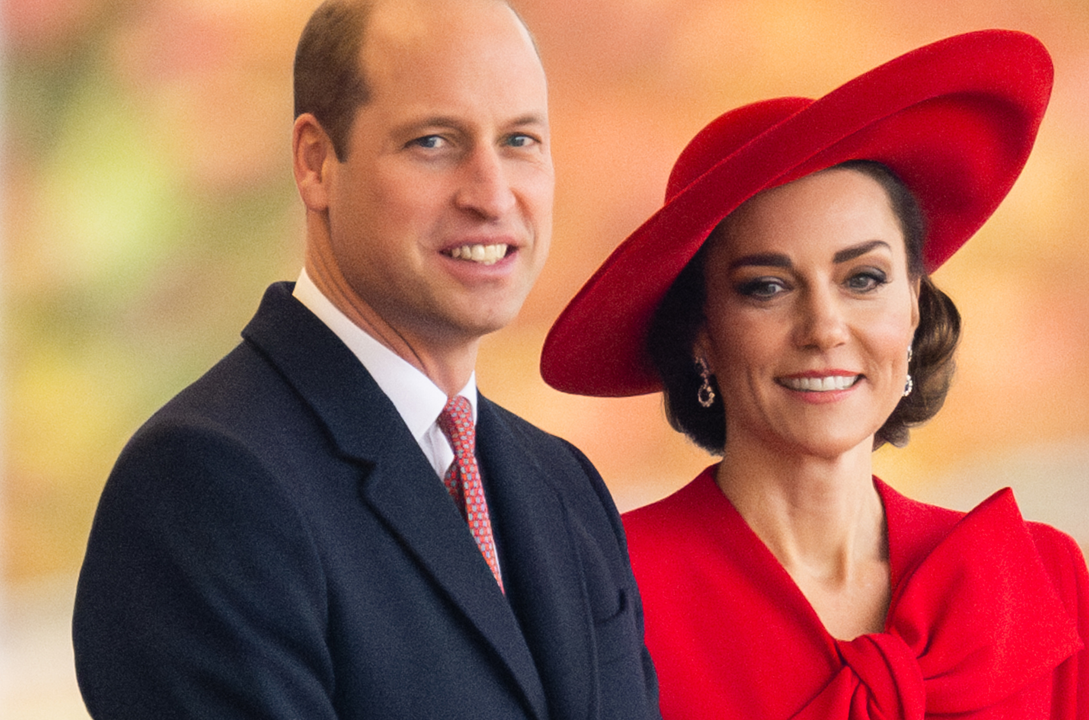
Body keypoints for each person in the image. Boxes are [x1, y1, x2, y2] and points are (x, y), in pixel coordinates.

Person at [72, 1, 660, 717]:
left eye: (519, 141)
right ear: (315, 162)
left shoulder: (564, 488)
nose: (492, 193)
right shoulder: (206, 483)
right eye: (434, 142)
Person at [541, 30, 1089, 719]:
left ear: (914, 307)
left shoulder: (1034, 580)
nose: (825, 328)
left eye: (863, 278)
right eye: (767, 287)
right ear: (701, 333)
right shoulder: (599, 591)